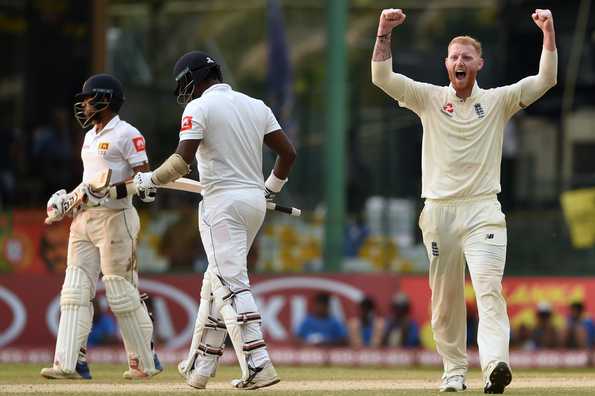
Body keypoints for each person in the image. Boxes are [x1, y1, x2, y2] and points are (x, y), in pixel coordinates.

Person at [371, 7, 557, 394]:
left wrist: (549, 33)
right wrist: (384, 31)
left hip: (483, 211)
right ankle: (454, 371)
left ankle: (494, 367)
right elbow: (381, 77)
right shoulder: (428, 98)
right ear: (446, 63)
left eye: (466, 57)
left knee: (489, 287)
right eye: (454, 56)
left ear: (479, 64)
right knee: (445, 300)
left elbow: (546, 79)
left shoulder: (497, 102)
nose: (460, 61)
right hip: (438, 212)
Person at [133, 51, 296, 390]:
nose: (184, 92)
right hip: (253, 202)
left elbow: (180, 163)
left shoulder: (198, 107)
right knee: (216, 283)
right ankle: (200, 367)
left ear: (193, 79)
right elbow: (287, 154)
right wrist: (268, 190)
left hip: (221, 203)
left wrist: (149, 180)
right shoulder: (256, 105)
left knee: (231, 283)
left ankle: (258, 363)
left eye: (184, 84)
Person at [41, 74, 162, 380]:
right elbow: (90, 181)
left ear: (104, 100)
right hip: (84, 219)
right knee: (74, 291)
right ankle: (70, 363)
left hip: (115, 219)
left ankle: (144, 363)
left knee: (120, 293)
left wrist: (110, 191)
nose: (82, 104)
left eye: (86, 98)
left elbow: (145, 184)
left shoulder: (127, 134)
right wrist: (69, 199)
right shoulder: (90, 136)